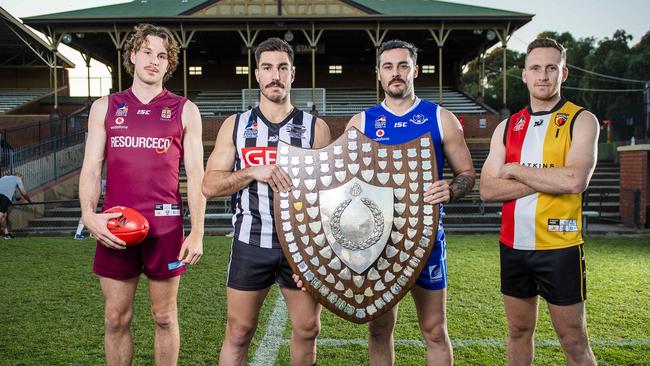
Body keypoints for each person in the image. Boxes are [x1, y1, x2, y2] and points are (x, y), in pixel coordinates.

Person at [79, 23, 206, 366]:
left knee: (164, 317)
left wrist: (197, 231)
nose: (154, 60)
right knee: (115, 318)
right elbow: (91, 168)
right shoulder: (106, 107)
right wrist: (89, 215)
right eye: (147, 52)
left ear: (169, 64)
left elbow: (196, 176)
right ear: (133, 55)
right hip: (115, 227)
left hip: (166, 231)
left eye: (162, 55)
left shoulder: (185, 109)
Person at [346, 39, 476, 366]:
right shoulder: (361, 123)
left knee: (434, 330)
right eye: (388, 67)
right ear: (378, 74)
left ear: (415, 69)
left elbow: (467, 174)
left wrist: (452, 188)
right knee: (379, 328)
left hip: (426, 239)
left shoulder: (441, 118)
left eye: (403, 65)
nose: (396, 73)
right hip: (378, 245)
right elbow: (343, 185)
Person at [202, 37, 330, 366]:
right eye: (268, 68)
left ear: (293, 74)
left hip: (301, 246)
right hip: (250, 242)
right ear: (257, 74)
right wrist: (251, 172)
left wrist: (321, 253)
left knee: (307, 328)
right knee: (239, 331)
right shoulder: (235, 125)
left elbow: (328, 197)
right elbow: (209, 185)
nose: (275, 75)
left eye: (282, 68)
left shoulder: (316, 128)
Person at [480, 38, 598, 366]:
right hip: (513, 245)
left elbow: (574, 181)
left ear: (564, 73)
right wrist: (549, 179)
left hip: (560, 246)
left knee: (573, 339)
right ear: (524, 75)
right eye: (535, 68)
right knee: (518, 331)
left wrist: (517, 170)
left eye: (551, 68)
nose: (543, 75)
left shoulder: (581, 120)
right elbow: (488, 189)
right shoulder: (506, 127)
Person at [0, 173, 31, 239]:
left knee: (4, 215)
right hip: (4, 197)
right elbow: (23, 192)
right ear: (20, 176)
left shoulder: (4, 177)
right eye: (22, 179)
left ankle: (7, 234)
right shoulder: (18, 179)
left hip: (2, 195)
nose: (22, 181)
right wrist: (29, 200)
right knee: (1, 215)